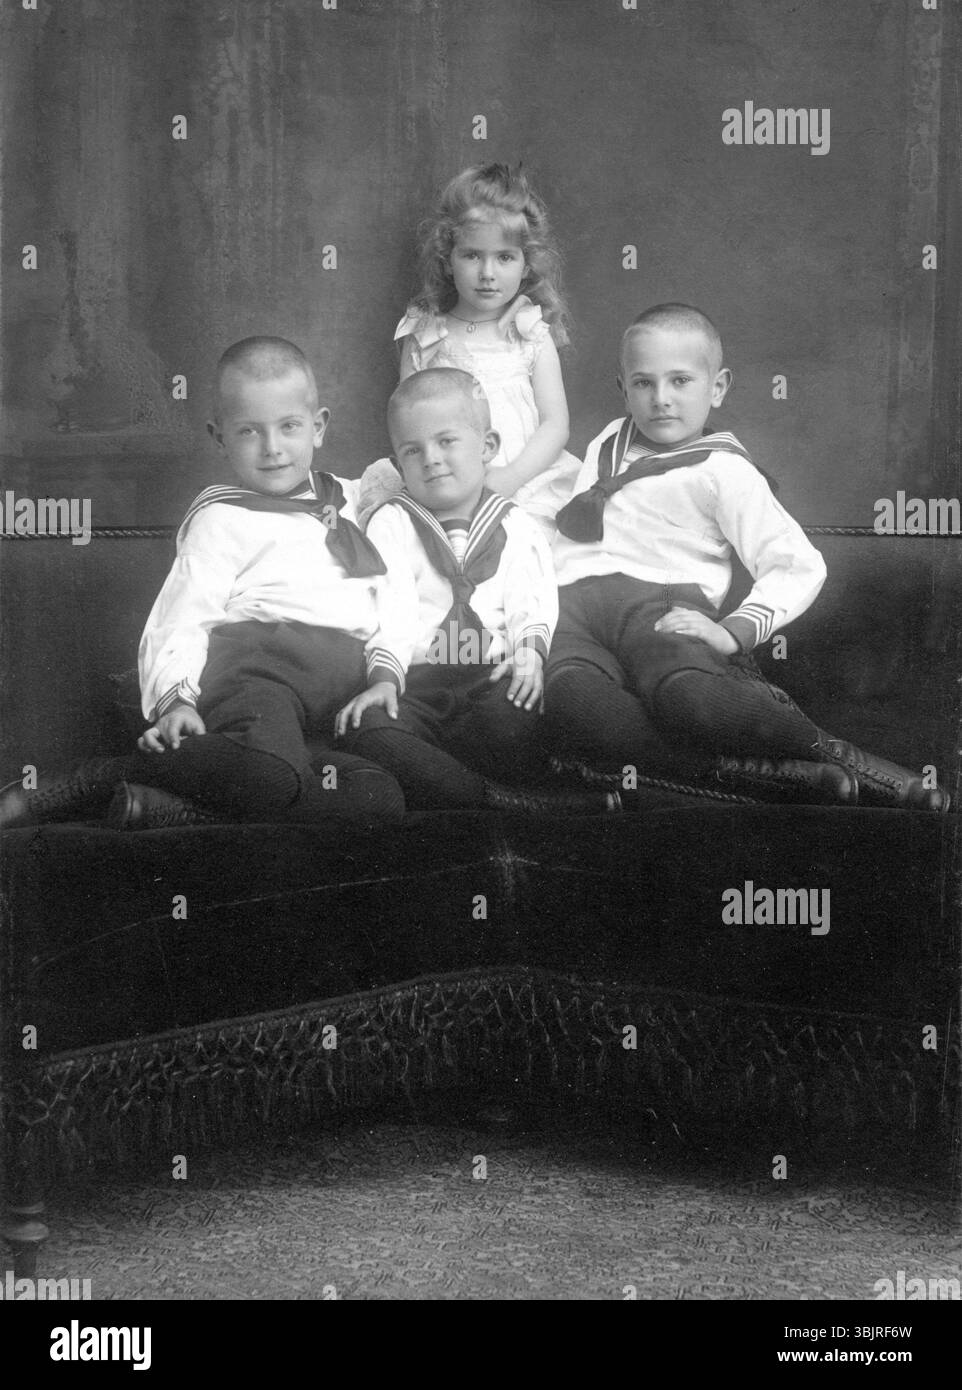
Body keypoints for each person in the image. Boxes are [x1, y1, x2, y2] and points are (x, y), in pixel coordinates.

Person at [544, 303, 949, 812]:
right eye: (643, 383)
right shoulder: (606, 441)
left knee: (687, 699)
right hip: (575, 613)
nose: (661, 398)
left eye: (681, 381)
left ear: (717, 387)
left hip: (655, 607)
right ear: (622, 386)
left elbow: (799, 564)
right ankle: (771, 779)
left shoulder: (725, 471)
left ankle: (864, 770)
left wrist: (734, 630)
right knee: (573, 706)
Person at [0, 337, 405, 831]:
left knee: (377, 796)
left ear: (318, 427)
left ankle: (171, 809)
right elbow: (183, 615)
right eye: (250, 431)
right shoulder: (219, 517)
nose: (273, 447)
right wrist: (177, 700)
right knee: (270, 773)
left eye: (290, 427)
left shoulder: (356, 497)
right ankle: (103, 776)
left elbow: (433, 478)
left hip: (338, 687)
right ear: (219, 437)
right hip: (260, 676)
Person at [337, 368, 614, 814]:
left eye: (446, 441)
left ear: (487, 447)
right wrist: (384, 682)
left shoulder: (516, 524)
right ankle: (504, 802)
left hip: (488, 677)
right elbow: (393, 611)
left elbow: (533, 598)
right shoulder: (393, 522)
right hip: (419, 685)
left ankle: (453, 787)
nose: (430, 458)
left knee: (523, 714)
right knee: (367, 728)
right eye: (413, 450)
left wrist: (529, 653)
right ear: (399, 460)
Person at [358, 163, 581, 532]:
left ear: (527, 265)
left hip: (522, 479)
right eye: (472, 255)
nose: (488, 273)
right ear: (448, 260)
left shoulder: (530, 334)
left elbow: (555, 424)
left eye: (505, 257)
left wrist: (508, 479)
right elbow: (408, 421)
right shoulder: (427, 334)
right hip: (442, 480)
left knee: (524, 543)